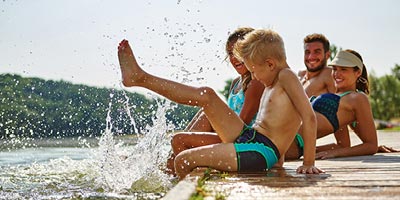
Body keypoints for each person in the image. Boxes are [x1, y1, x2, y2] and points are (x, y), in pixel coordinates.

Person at [117, 29, 323, 180]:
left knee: (183, 160)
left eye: (254, 70)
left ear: (270, 63)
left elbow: (308, 117)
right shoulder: (274, 80)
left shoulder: (287, 76)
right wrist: (280, 162)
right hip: (251, 137)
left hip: (261, 151)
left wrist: (308, 163)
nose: (253, 76)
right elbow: (281, 122)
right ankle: (140, 78)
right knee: (207, 94)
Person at [166, 27, 265, 175]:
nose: (234, 58)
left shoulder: (256, 82)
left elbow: (241, 125)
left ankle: (179, 179)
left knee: (179, 140)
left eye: (239, 51)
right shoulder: (235, 83)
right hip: (231, 136)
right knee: (204, 114)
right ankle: (171, 172)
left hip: (244, 142)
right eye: (230, 53)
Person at [291, 49, 378, 160]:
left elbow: (371, 145)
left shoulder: (358, 98)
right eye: (335, 69)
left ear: (358, 72)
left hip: (292, 141)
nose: (337, 73)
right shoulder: (339, 98)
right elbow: (343, 145)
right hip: (286, 135)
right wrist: (315, 150)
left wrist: (336, 153)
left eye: (343, 69)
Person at [286, 33, 336, 160]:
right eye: (307, 52)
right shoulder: (299, 76)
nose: (311, 56)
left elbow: (340, 110)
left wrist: (366, 145)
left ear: (327, 55)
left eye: (317, 52)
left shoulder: (328, 74)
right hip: (281, 132)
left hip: (293, 141)